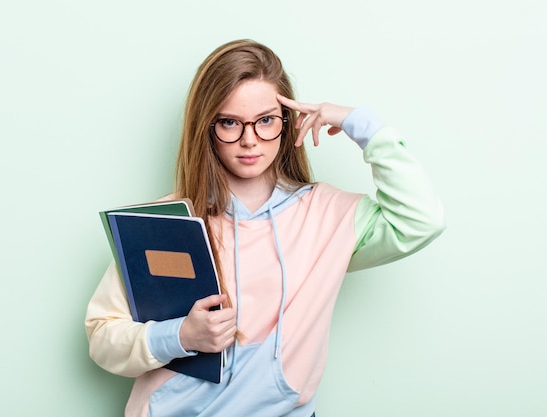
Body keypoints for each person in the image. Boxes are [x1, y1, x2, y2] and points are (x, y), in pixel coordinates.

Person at [85, 39, 445, 417]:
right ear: (206, 127)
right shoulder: (165, 223)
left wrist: (360, 124)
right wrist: (180, 336)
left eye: (266, 120)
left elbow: (422, 219)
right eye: (229, 122)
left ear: (289, 121)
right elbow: (102, 337)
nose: (249, 139)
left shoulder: (328, 216)